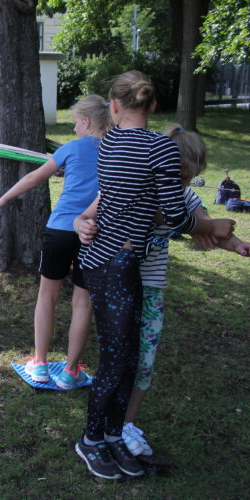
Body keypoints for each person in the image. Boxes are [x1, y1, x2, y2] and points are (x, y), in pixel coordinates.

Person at [72, 71, 235, 480]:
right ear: (153, 106)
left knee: (126, 356)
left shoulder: (109, 142)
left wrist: (83, 221)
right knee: (116, 359)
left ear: (113, 106)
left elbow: (122, 201)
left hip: (110, 261)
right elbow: (177, 215)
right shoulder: (160, 147)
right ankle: (90, 440)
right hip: (112, 264)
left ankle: (113, 435)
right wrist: (213, 226)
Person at [0, 95, 110, 389]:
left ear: (87, 121)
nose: (74, 128)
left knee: (47, 297)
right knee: (83, 303)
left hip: (59, 231)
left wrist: (2, 199)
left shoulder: (72, 148)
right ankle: (70, 371)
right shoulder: (114, 151)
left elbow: (34, 177)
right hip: (94, 233)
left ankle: (40, 364)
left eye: (76, 122)